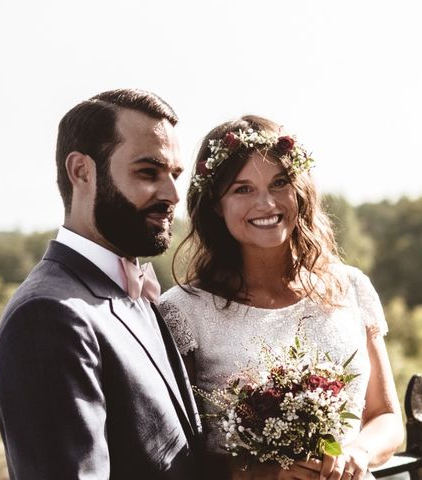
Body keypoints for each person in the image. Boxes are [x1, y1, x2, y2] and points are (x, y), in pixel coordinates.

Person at [159, 115, 404, 480]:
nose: (267, 203)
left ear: (300, 190)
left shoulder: (349, 286)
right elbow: (171, 453)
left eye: (280, 183)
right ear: (215, 205)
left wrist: (357, 451)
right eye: (242, 189)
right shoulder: (182, 311)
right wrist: (261, 472)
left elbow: (386, 417)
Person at [0, 88, 203, 479]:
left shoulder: (135, 294)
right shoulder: (47, 317)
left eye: (174, 175)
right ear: (81, 171)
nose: (173, 194)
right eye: (148, 172)